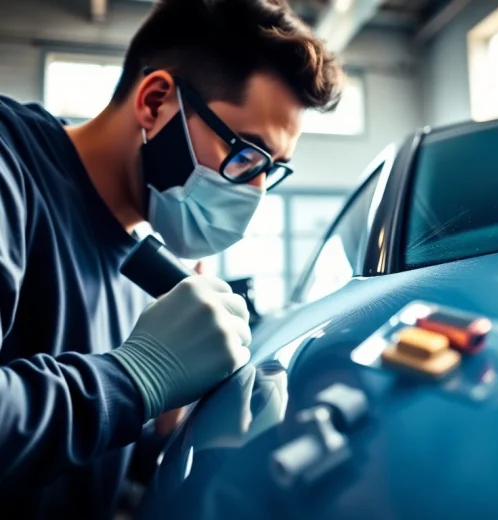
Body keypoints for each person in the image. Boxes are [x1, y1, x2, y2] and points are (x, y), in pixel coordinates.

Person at [0, 0, 342, 517]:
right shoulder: (12, 167)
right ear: (157, 102)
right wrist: (139, 377)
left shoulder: (150, 261)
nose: (255, 192)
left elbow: (86, 460)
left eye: (271, 170)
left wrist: (175, 431)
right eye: (245, 155)